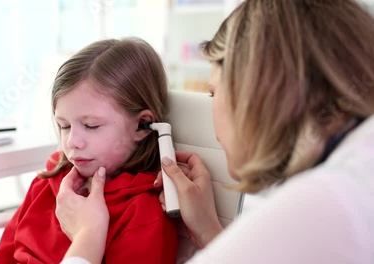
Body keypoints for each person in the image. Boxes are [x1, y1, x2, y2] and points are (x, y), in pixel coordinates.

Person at [56, 0, 374, 263]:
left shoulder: (319, 206)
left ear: (253, 96)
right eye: (64, 125)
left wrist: (87, 237)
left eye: (213, 93)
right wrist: (208, 229)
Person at [0, 38, 178, 264]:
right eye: (64, 126)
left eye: (91, 126)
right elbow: (1, 257)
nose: (72, 142)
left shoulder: (142, 216)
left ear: (142, 125)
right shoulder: (46, 183)